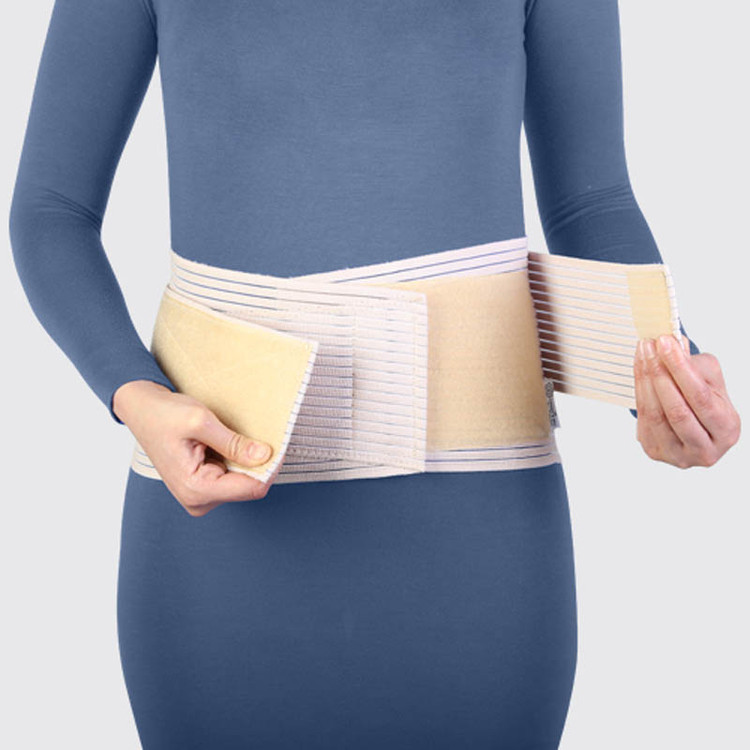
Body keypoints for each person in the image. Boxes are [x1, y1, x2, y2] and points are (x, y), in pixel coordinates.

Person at [8, 1, 740, 748]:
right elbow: (51, 211)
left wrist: (672, 377)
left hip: (479, 544)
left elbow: (592, 203)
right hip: (218, 526)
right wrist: (134, 393)